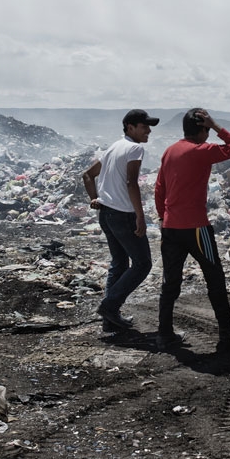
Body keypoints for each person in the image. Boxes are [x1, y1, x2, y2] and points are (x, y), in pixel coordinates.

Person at [153, 108, 230, 349]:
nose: (208, 134)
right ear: (202, 130)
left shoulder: (169, 151)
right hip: (196, 227)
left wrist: (163, 217)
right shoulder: (202, 151)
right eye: (207, 130)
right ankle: (226, 327)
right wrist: (216, 125)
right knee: (214, 276)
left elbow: (159, 188)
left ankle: (164, 333)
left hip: (170, 227)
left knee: (170, 282)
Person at [82, 109, 159, 332]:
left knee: (119, 264)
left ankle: (110, 319)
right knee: (142, 264)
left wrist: (95, 198)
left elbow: (87, 175)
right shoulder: (135, 148)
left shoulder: (113, 147)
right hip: (123, 215)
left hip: (106, 214)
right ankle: (109, 307)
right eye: (144, 127)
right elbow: (131, 183)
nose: (148, 131)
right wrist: (140, 216)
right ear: (130, 127)